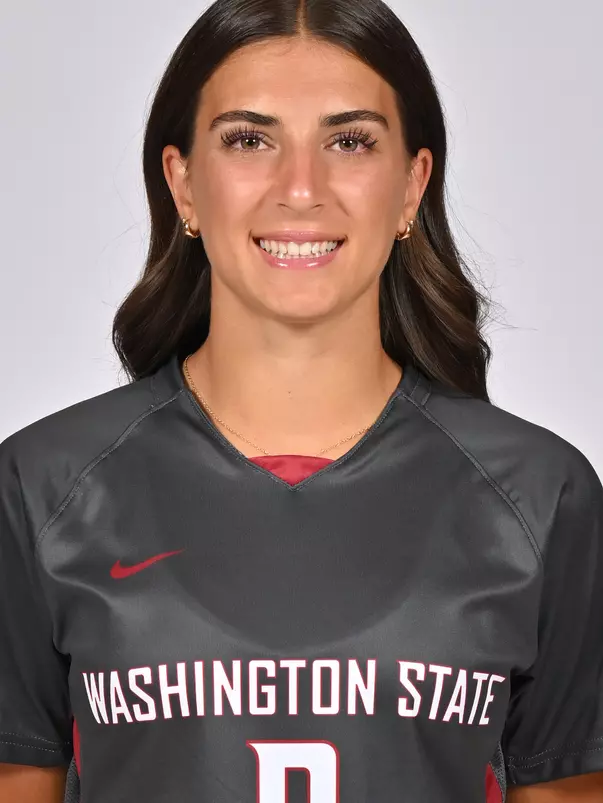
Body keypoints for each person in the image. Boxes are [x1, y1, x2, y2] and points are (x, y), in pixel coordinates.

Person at [1, 0, 602, 801]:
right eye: (249, 140)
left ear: (410, 186)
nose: (300, 188)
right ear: (181, 182)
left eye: (348, 142)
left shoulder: (540, 496)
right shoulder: (43, 488)